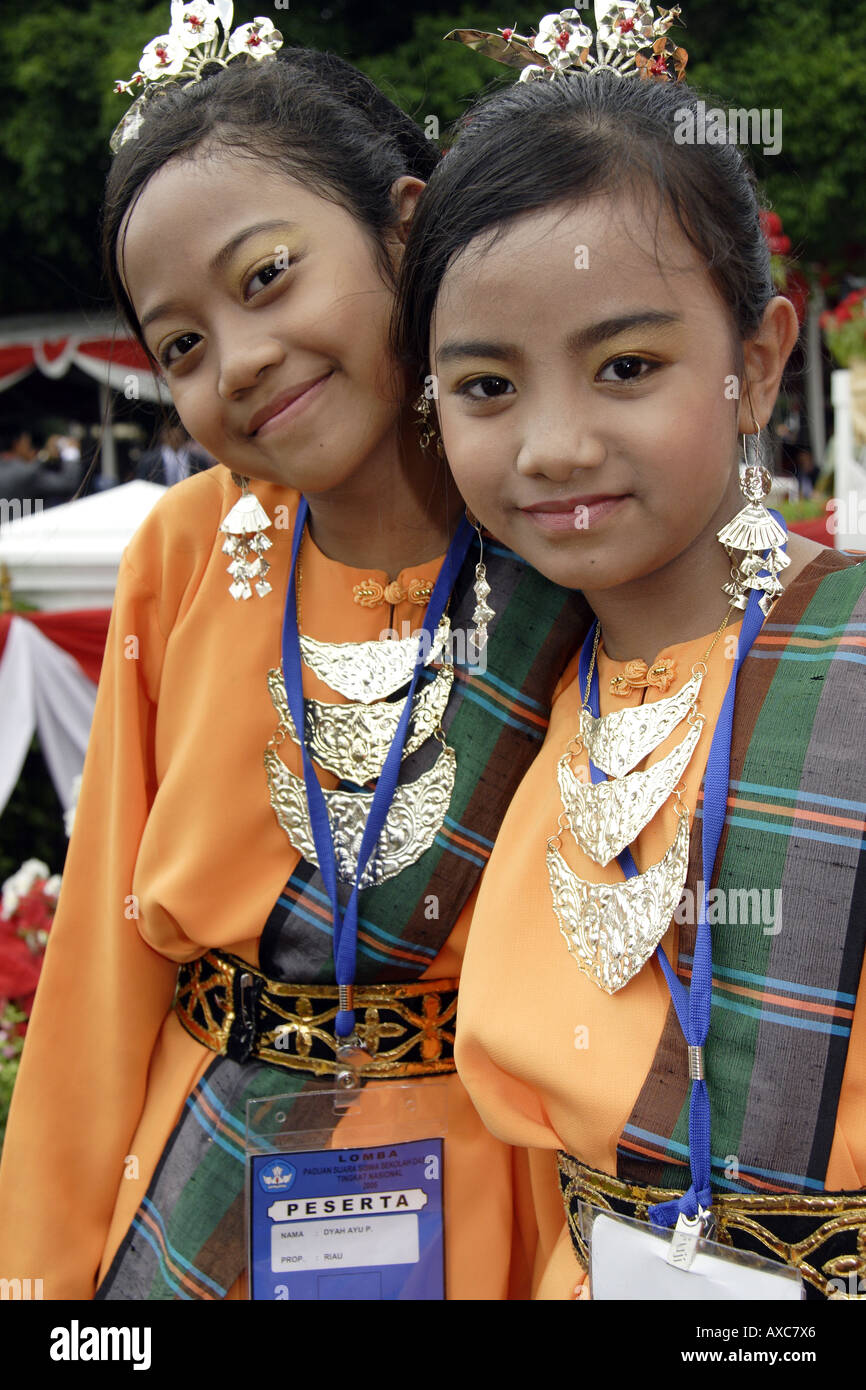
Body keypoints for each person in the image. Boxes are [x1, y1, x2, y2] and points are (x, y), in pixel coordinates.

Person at [0, 29, 585, 1300]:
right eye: (179, 347)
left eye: (264, 277)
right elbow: (104, 950)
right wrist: (38, 1277)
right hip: (204, 1181)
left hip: (483, 1201)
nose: (239, 360)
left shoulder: (561, 548)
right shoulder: (192, 545)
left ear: (404, 226)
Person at [395, 27, 866, 1300]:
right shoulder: (505, 698)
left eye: (625, 367)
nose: (551, 444)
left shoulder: (852, 659)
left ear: (756, 364)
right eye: (486, 385)